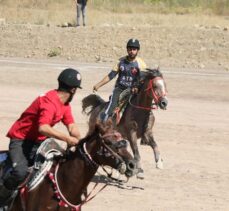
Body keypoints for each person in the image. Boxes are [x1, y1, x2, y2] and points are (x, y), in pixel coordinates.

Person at [0, 68, 82, 205]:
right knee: (20, 172)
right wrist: (67, 139)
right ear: (73, 90)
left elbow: (72, 125)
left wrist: (77, 137)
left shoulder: (65, 105)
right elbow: (43, 128)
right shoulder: (49, 102)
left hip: (41, 142)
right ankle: (2, 200)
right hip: (20, 140)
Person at [93, 38, 147, 121]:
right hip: (120, 89)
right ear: (127, 49)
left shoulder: (141, 64)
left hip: (133, 91)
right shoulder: (120, 61)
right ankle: (103, 123)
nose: (132, 51)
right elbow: (111, 76)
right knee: (111, 106)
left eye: (134, 49)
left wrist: (137, 87)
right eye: (130, 49)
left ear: (137, 50)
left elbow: (143, 79)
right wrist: (98, 85)